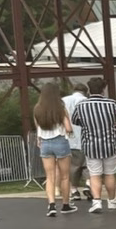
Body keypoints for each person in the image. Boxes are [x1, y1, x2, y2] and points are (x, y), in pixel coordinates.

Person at [77, 77, 116, 212]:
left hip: (91, 145)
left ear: (89, 90)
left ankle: (96, 202)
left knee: (94, 175)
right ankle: (112, 201)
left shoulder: (81, 105)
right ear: (103, 89)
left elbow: (76, 120)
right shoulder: (112, 103)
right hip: (110, 143)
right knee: (109, 174)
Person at [33, 81, 76, 215]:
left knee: (50, 177)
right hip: (60, 141)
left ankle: (51, 205)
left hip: (45, 143)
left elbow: (38, 127)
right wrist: (69, 130)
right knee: (65, 176)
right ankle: (65, 205)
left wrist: (39, 139)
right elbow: (68, 127)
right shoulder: (60, 108)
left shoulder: (37, 109)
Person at [63, 87, 89, 199]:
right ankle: (88, 184)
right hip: (86, 137)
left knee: (74, 166)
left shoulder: (63, 101)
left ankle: (74, 190)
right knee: (89, 164)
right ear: (85, 92)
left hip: (70, 138)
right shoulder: (87, 101)